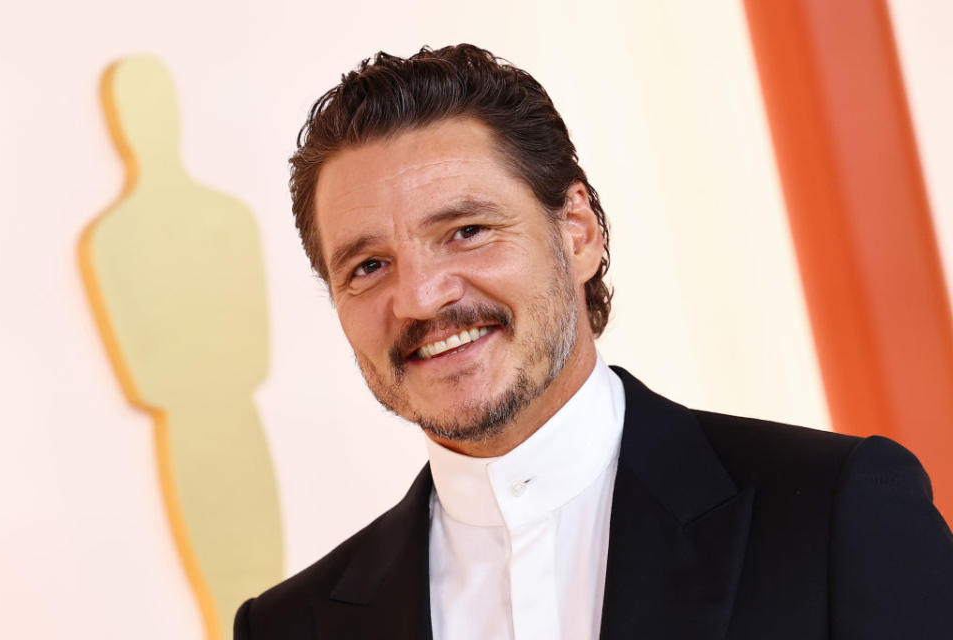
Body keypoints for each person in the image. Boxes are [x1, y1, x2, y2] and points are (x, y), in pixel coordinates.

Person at [234, 44, 953, 639]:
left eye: (467, 231)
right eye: (367, 266)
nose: (420, 297)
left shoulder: (833, 513)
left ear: (577, 233)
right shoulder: (287, 627)